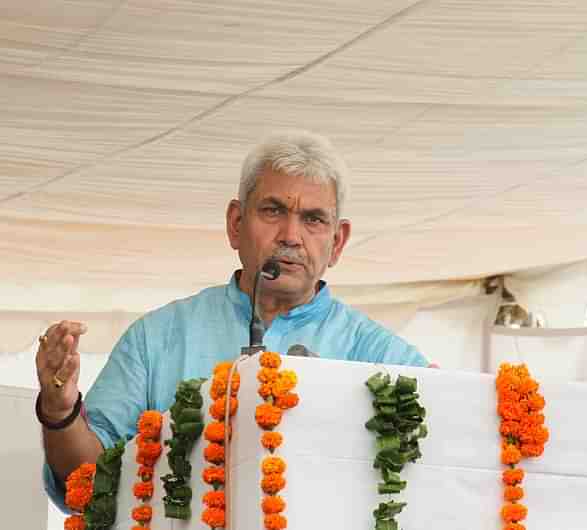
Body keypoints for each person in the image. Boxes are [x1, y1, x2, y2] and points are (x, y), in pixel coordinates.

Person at [36, 130, 431, 511]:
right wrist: (60, 411)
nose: (291, 235)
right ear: (236, 224)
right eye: (273, 211)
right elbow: (86, 482)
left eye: (313, 219)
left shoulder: (382, 356)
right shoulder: (156, 338)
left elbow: (443, 459)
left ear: (338, 242)